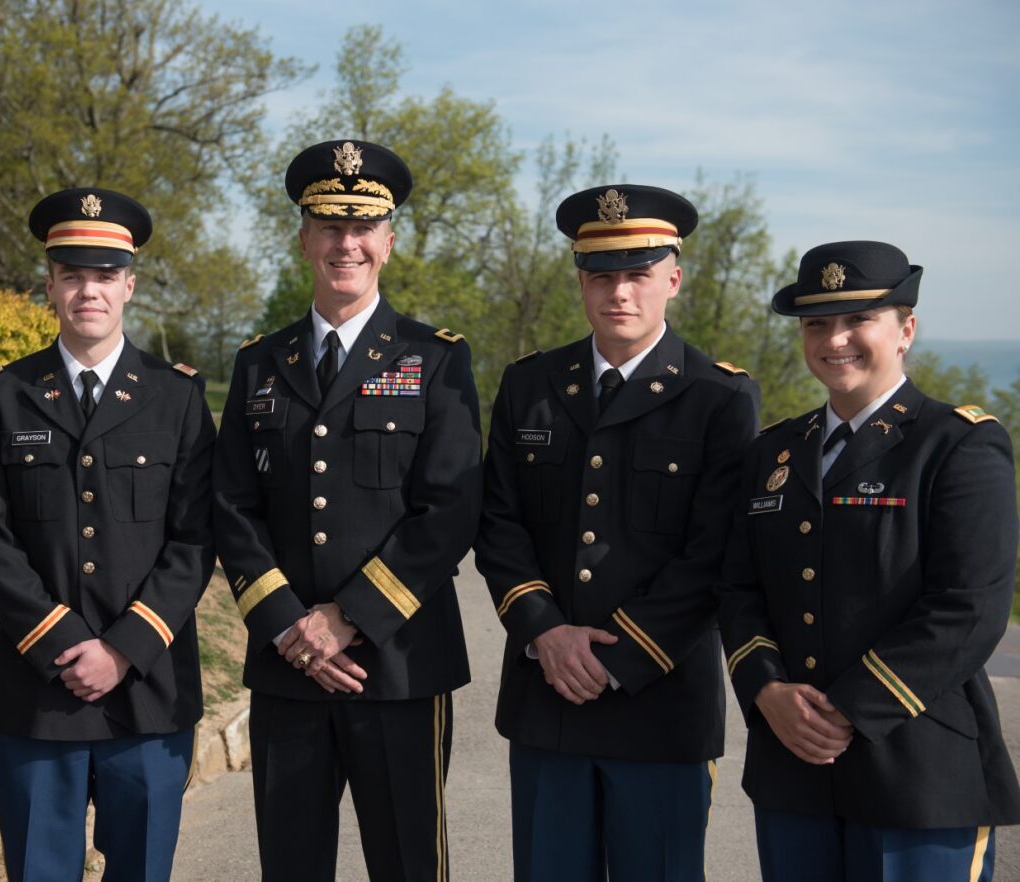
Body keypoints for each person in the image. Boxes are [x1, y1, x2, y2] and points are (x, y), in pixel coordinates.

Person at [212, 139, 481, 881]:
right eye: (329, 225)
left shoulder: (436, 359)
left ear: (388, 242)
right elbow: (231, 505)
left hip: (398, 666)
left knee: (407, 864)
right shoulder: (258, 362)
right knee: (291, 865)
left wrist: (348, 617)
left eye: (363, 227)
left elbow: (450, 508)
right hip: (287, 665)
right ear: (303, 238)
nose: (346, 244)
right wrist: (289, 625)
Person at [475, 184, 760, 880]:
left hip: (658, 705)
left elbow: (714, 553)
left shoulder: (718, 397)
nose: (619, 293)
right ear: (580, 283)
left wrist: (618, 655)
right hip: (549, 698)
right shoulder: (529, 385)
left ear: (673, 279)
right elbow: (498, 524)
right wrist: (543, 630)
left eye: (637, 274)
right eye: (601, 276)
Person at [717, 240, 1020, 881]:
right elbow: (740, 589)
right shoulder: (773, 452)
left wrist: (848, 708)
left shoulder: (957, 444)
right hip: (793, 768)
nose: (836, 340)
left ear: (906, 329)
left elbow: (969, 607)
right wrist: (767, 689)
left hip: (916, 772)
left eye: (859, 319)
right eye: (817, 324)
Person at [0, 188, 214, 881]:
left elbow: (196, 538)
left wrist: (124, 649)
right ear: (49, 286)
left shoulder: (177, 397)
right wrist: (67, 644)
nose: (88, 291)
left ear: (129, 286)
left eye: (104, 276)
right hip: (41, 692)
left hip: (149, 690)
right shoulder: (3, 396)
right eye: (73, 275)